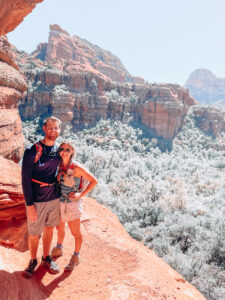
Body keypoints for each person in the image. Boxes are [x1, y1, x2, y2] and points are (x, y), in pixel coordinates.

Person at [22, 116, 62, 278]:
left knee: (49, 229)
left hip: (53, 198)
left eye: (56, 128)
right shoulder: (33, 150)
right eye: (50, 127)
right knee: (34, 233)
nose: (53, 130)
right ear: (44, 129)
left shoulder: (59, 150)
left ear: (60, 131)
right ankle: (33, 260)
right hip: (36, 200)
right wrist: (30, 205)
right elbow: (25, 179)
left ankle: (46, 257)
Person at [51, 140, 98, 271]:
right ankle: (58, 248)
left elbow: (94, 181)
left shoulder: (76, 168)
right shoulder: (59, 165)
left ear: (72, 152)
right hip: (60, 202)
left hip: (72, 204)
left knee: (75, 232)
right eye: (62, 149)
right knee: (59, 227)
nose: (64, 152)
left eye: (67, 149)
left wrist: (80, 195)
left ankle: (76, 257)